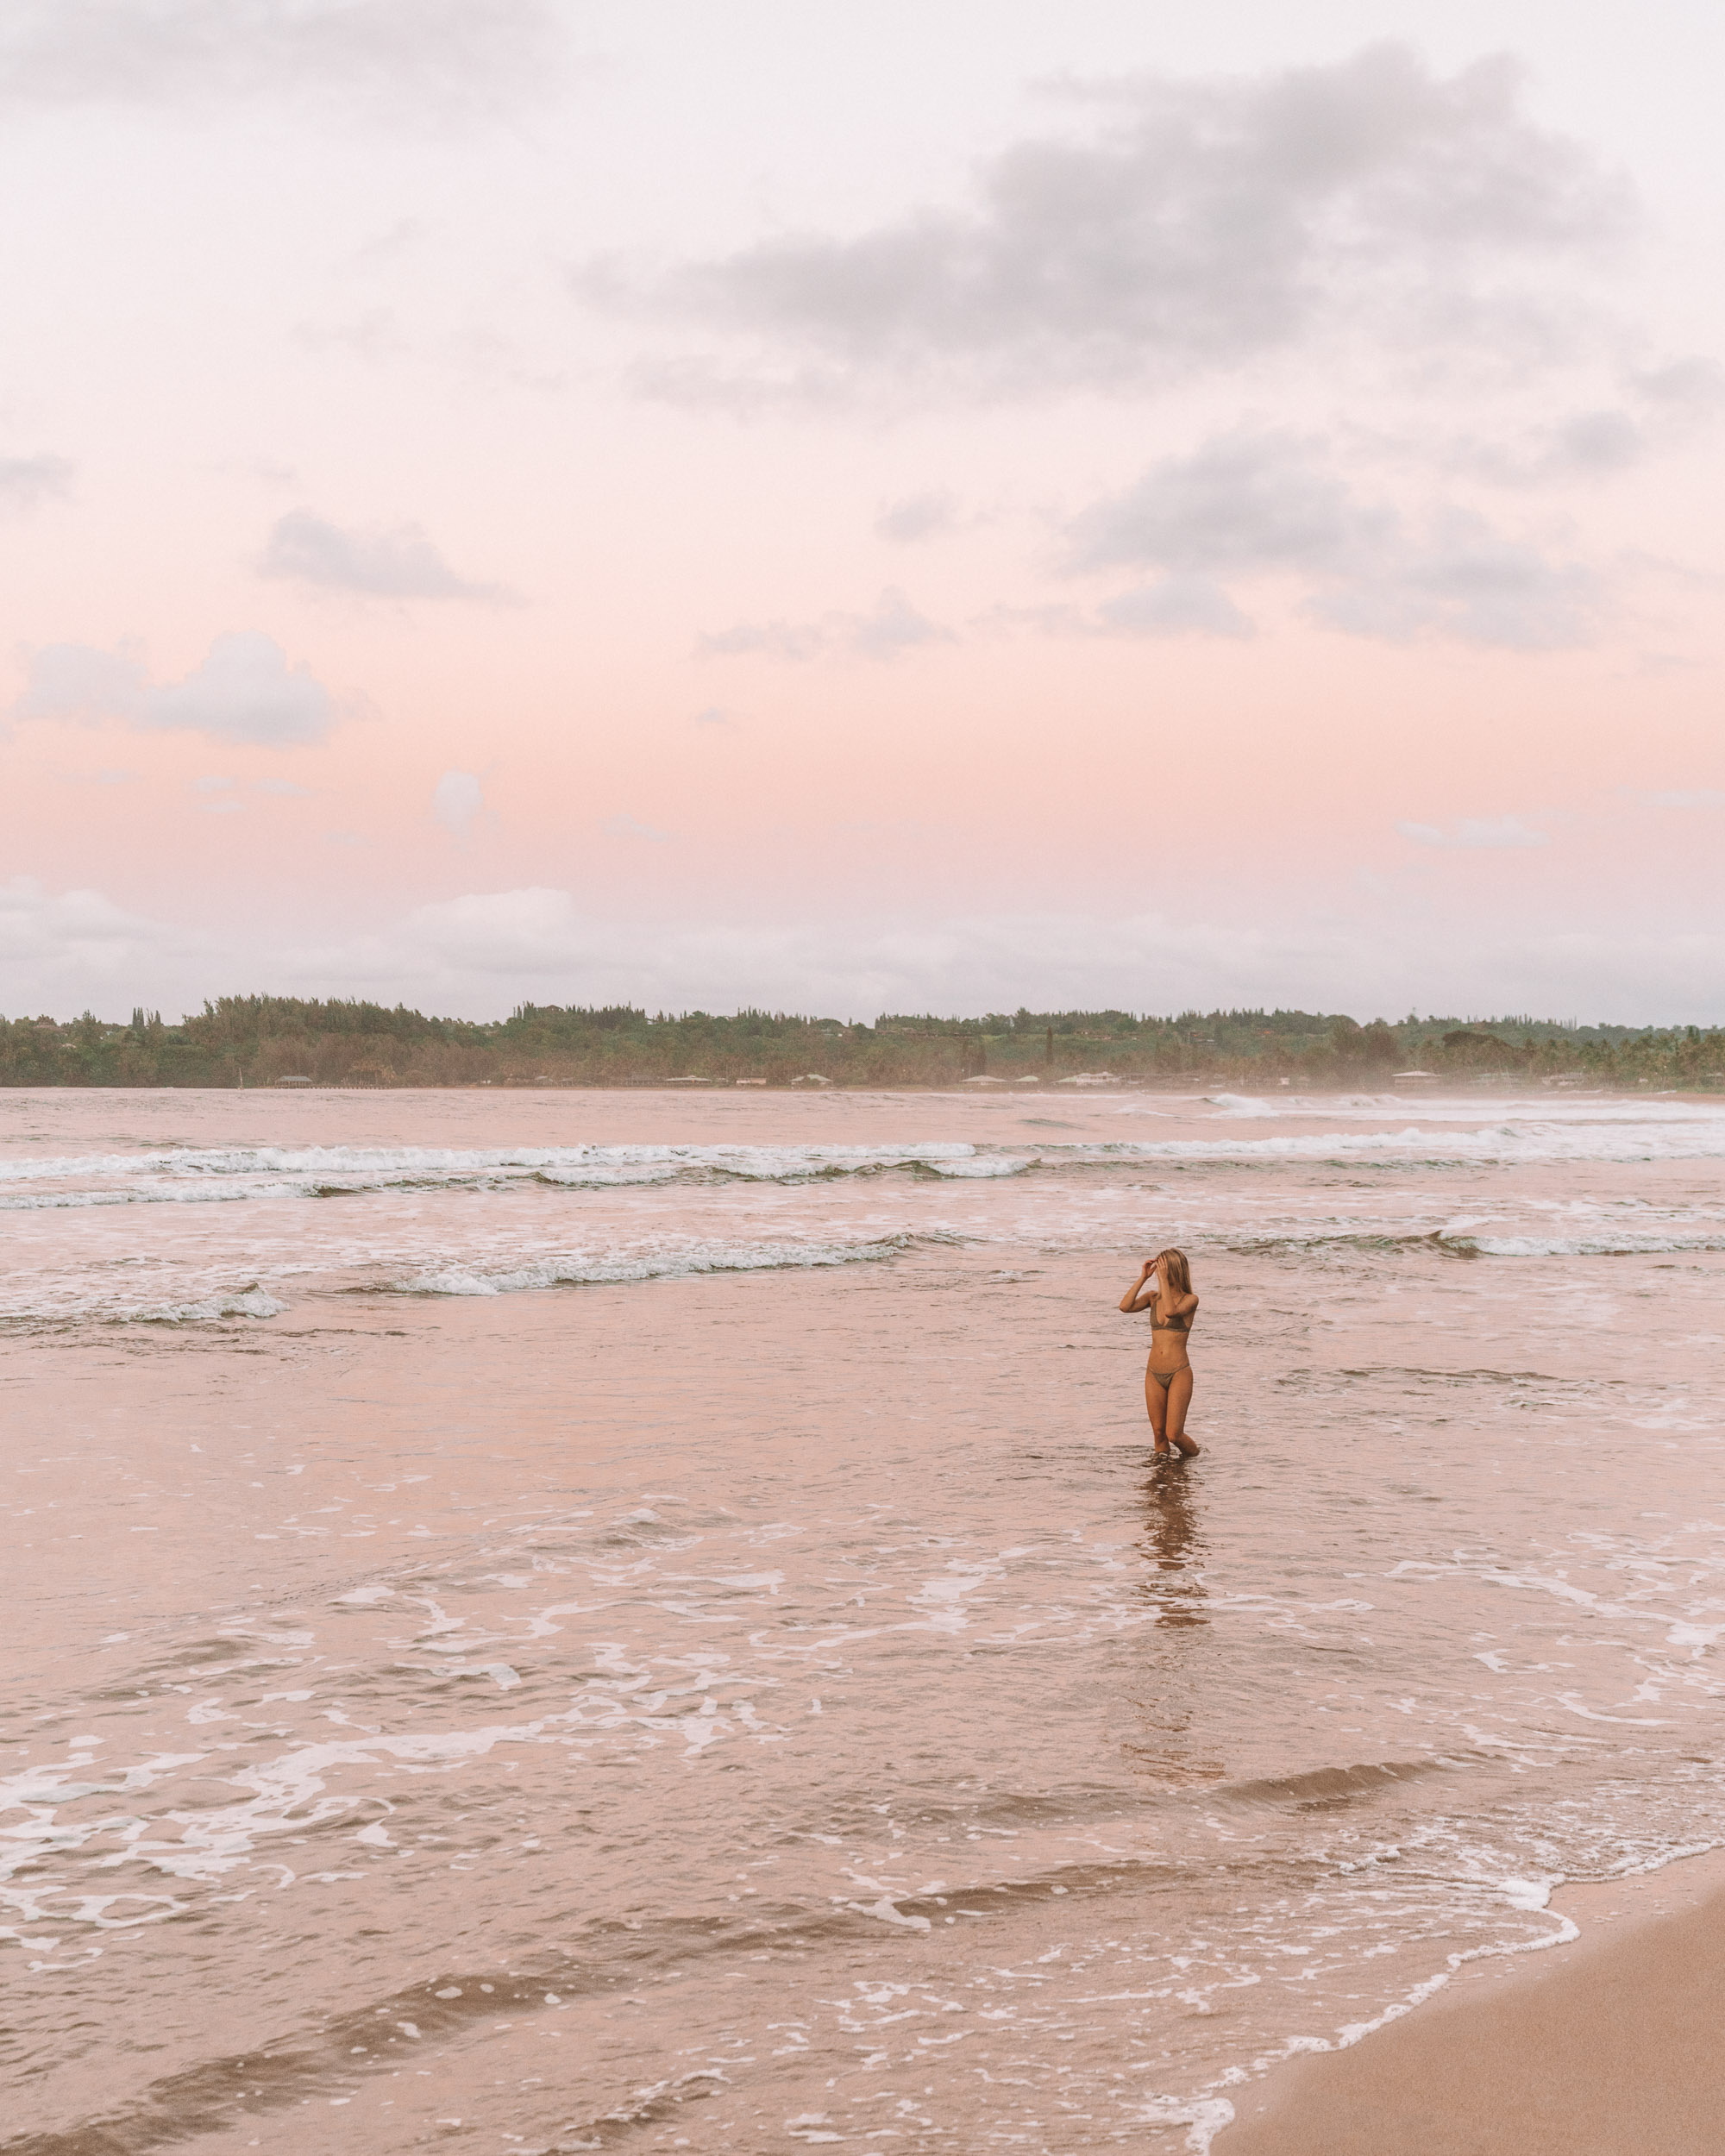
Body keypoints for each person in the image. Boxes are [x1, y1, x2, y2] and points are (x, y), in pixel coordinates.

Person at [1119, 1248, 1200, 1458]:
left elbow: (1171, 1312)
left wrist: (1163, 1278)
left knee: (1174, 1434)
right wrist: (1143, 1278)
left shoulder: (1191, 1299)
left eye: (1164, 1268)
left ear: (1175, 1270)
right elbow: (1125, 1307)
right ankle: (1164, 1474)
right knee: (1158, 1434)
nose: (1160, 1272)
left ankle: (1196, 1463)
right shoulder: (1152, 1298)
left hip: (1179, 1372)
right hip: (1153, 1373)